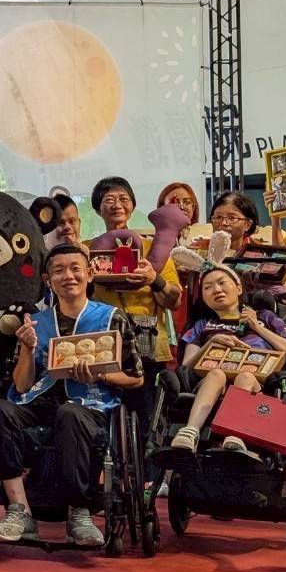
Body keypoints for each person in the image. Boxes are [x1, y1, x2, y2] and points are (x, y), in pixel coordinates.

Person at [0, 244, 144, 549]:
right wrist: (28, 349)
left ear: (89, 274)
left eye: (75, 268)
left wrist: (100, 375)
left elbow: (136, 377)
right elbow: (21, 386)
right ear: (48, 280)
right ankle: (19, 511)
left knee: (69, 413)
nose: (68, 276)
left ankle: (79, 513)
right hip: (41, 400)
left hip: (91, 404)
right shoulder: (36, 321)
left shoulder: (111, 318)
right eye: (58, 270)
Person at [87, 177, 182, 472]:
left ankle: (148, 480)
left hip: (147, 341)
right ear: (98, 209)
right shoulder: (87, 251)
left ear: (133, 206)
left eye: (124, 199)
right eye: (109, 200)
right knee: (98, 413)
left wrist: (154, 279)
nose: (117, 204)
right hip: (102, 340)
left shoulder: (154, 249)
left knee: (145, 415)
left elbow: (174, 300)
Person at [170, 264, 286, 455]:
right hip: (210, 383)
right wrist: (211, 343)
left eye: (222, 282)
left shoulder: (266, 317)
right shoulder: (202, 325)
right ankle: (190, 432)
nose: (216, 290)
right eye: (207, 287)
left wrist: (257, 327)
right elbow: (186, 365)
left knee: (245, 377)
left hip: (258, 384)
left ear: (239, 288)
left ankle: (234, 435)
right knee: (216, 374)